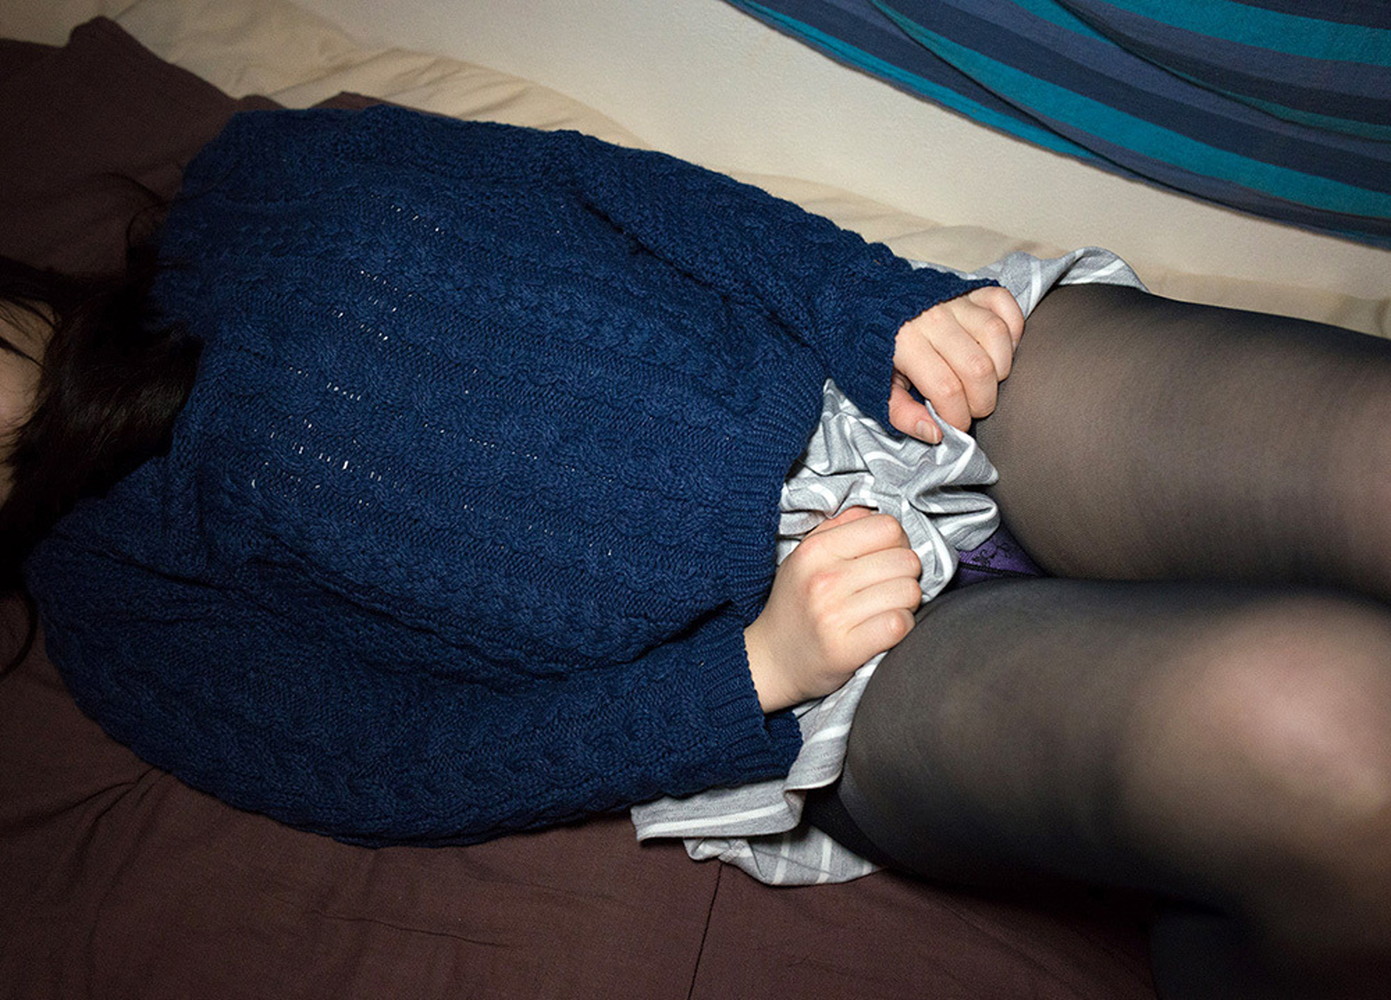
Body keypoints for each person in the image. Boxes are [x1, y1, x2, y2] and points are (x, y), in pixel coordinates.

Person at [3, 104, 1389, 998]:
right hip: (808, 671)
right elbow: (389, 760)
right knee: (1328, 740)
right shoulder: (110, 609)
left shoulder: (252, 178)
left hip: (862, 377)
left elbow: (597, 185)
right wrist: (751, 675)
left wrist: (876, 302)